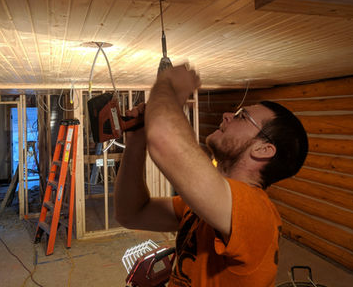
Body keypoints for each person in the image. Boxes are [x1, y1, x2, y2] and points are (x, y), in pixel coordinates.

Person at [114, 64, 308, 287]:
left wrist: (168, 86)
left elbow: (163, 139)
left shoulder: (257, 213)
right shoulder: (208, 205)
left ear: (263, 150)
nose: (227, 115)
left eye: (241, 116)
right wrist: (136, 143)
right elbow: (131, 213)